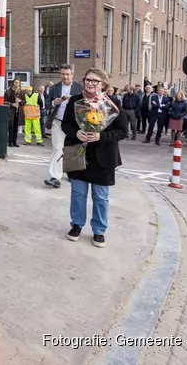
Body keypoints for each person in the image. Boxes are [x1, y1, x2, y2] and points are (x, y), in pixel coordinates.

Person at [61, 68, 128, 248]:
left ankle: (99, 231)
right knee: (78, 194)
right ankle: (76, 224)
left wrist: (101, 136)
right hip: (78, 153)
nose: (90, 83)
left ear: (103, 84)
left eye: (94, 81)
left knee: (100, 197)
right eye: (87, 79)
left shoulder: (112, 104)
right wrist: (77, 132)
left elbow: (123, 131)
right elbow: (65, 124)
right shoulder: (76, 101)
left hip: (103, 157)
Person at [43, 64, 82, 188]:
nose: (65, 76)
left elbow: (85, 103)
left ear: (72, 75)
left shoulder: (79, 88)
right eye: (63, 74)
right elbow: (48, 103)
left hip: (73, 123)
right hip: (58, 122)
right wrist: (55, 102)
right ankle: (55, 177)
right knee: (57, 148)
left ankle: (73, 174)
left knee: (73, 148)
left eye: (67, 74)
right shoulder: (54, 88)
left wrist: (74, 100)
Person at [4, 79, 24, 147]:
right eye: (15, 82)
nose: (17, 84)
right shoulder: (8, 91)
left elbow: (25, 102)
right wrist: (12, 104)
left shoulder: (21, 92)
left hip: (18, 111)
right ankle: (10, 142)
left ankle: (14, 141)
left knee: (16, 126)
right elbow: (5, 101)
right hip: (11, 111)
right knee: (11, 126)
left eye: (18, 82)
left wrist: (20, 101)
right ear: (13, 83)